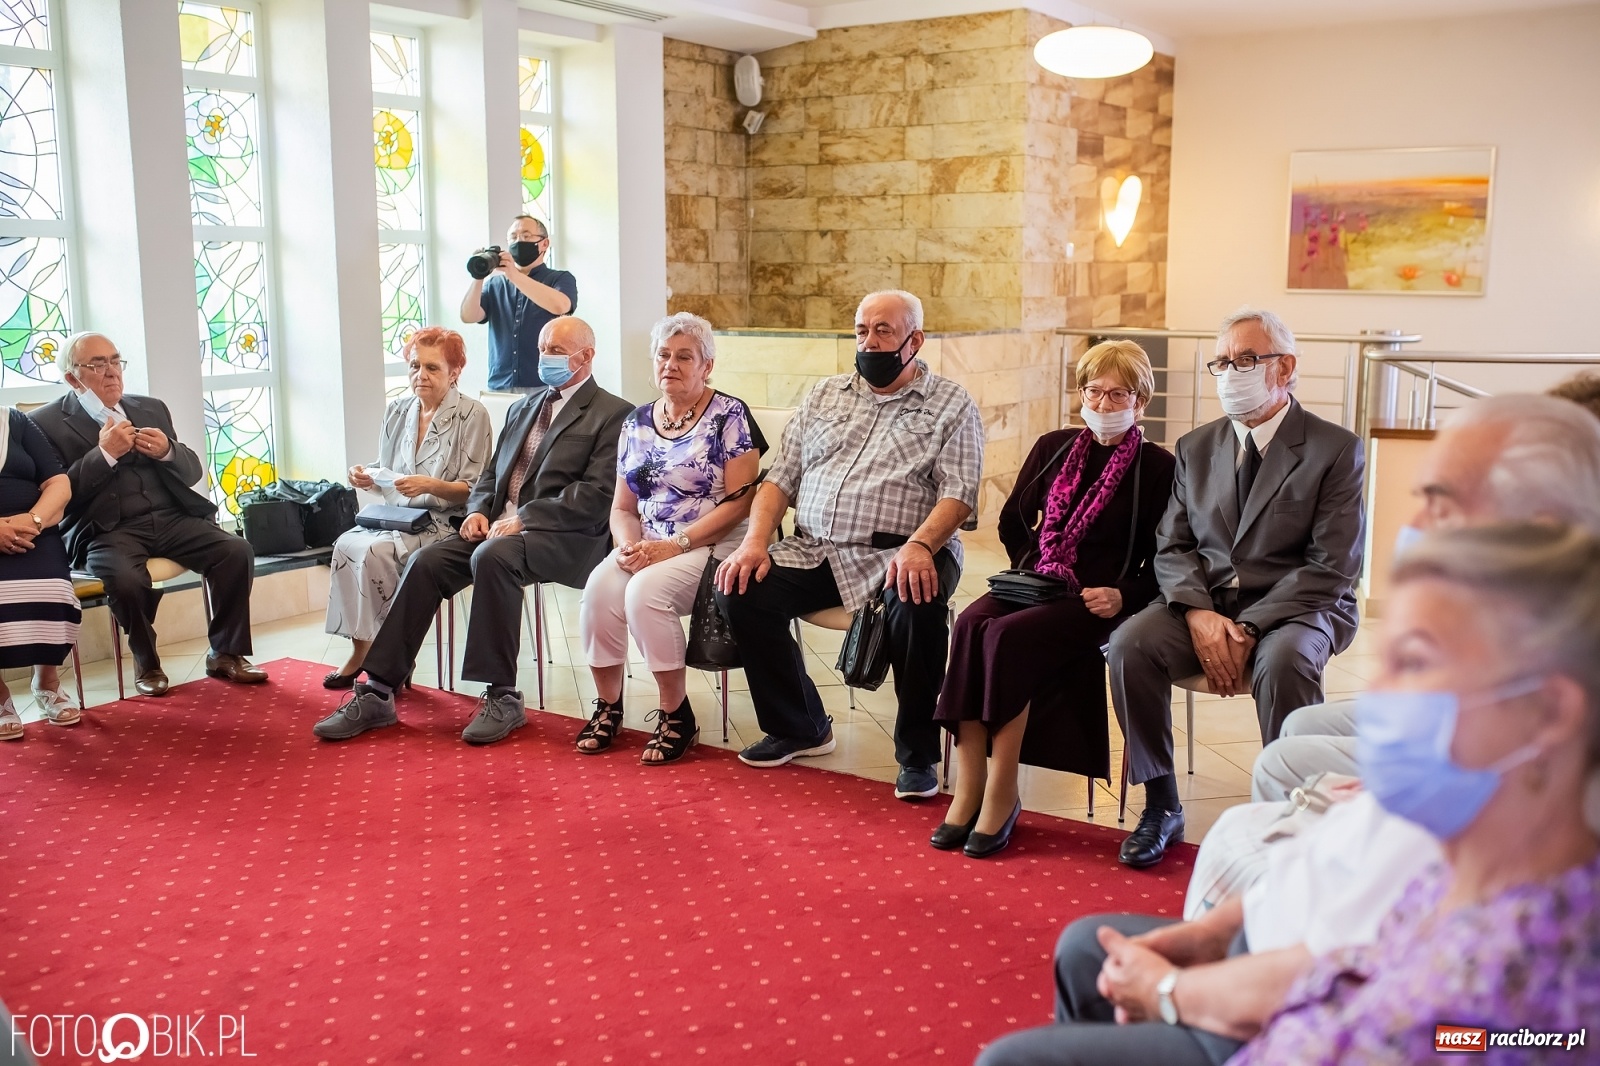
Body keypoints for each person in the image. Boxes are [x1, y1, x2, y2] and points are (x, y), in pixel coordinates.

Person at [975, 522, 1600, 1066]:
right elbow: (1343, 965)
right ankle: (1160, 804)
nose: (1378, 693)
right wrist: (1213, 939)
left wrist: (1175, 995)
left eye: (1418, 663)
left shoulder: (1536, 975)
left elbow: (1404, 1027)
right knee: (1086, 946)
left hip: (1281, 1038)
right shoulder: (1482, 843)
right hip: (1286, 1006)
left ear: (1546, 713)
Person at [1106, 308, 1364, 868]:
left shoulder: (1335, 449)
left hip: (1299, 607)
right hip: (1205, 602)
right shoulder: (1198, 446)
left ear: (1285, 367)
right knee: (1128, 646)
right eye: (1220, 362)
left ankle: (1292, 812)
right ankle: (1161, 803)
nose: (1228, 372)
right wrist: (1199, 614)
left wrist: (1248, 627)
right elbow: (1171, 545)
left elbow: (1331, 567)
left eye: (1244, 360)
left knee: (1287, 660)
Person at [1249, 392, 1600, 802]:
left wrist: (1416, 768)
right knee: (1299, 726)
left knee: (1280, 764)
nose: (1419, 522)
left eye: (1442, 501)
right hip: (1454, 715)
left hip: (1489, 755)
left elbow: (1514, 727)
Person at [715, 289, 984, 800]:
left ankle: (918, 754)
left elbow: (960, 493)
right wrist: (753, 542)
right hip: (818, 549)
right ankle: (801, 725)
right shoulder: (824, 395)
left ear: (915, 340)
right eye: (862, 330)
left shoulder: (950, 404)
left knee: (916, 603)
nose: (870, 341)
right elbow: (780, 480)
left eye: (884, 331)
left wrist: (921, 545)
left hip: (905, 551)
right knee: (741, 588)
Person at [313, 316, 631, 745]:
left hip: (565, 535)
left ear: (586, 356)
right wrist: (477, 512)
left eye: (555, 351)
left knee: (492, 557)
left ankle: (502, 696)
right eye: (541, 349)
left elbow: (596, 494)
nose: (544, 358)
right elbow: (488, 476)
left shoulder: (615, 414)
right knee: (427, 562)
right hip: (498, 529)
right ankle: (379, 691)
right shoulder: (524, 406)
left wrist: (524, 518)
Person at [931, 341, 1175, 856]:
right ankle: (969, 785)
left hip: (1095, 601)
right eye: (1094, 392)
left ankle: (1002, 792)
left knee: (1006, 637)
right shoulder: (1054, 446)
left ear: (1141, 402)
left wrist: (1124, 594)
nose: (1104, 405)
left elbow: (1167, 559)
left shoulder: (1158, 467)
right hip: (1038, 581)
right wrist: (1033, 562)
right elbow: (1011, 518)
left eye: (1118, 394)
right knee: (971, 623)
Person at [29, 332, 267, 696]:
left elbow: (191, 472)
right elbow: (58, 495)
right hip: (107, 529)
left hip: (172, 519)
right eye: (97, 365)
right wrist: (103, 454)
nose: (111, 373)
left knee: (235, 551)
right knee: (123, 577)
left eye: (115, 361)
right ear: (72, 378)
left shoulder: (150, 407)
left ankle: (226, 652)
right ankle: (147, 659)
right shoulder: (44, 423)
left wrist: (169, 451)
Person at [576, 313, 763, 763]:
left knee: (644, 594)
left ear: (707, 365)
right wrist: (626, 546)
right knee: (600, 590)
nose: (671, 365)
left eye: (685, 357)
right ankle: (608, 706)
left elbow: (740, 503)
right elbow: (622, 507)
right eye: (663, 355)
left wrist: (674, 545)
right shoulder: (636, 422)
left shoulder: (729, 414)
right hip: (646, 543)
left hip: (711, 542)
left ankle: (676, 714)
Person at [322, 327, 493, 688]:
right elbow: (388, 466)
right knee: (346, 546)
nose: (421, 375)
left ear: (455, 371)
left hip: (442, 522)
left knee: (376, 553)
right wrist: (366, 475)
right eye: (415, 366)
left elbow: (478, 487)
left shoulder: (471, 415)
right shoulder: (398, 409)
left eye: (433, 368)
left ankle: (392, 659)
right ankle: (362, 649)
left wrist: (431, 485)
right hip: (395, 515)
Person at [0, 406, 81, 739]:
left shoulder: (15, 420)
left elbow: (58, 481)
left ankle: (46, 682)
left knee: (52, 591)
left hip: (34, 532)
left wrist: (32, 522)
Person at [459, 215, 577, 393]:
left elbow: (560, 306)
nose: (518, 241)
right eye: (513, 237)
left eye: (526, 236)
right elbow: (468, 316)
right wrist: (479, 276)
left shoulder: (560, 278)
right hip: (501, 384)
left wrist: (514, 275)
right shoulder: (495, 285)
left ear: (544, 244)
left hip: (544, 384)